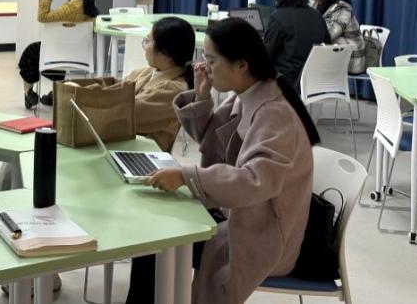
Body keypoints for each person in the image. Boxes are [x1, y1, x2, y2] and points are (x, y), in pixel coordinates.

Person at [141, 18, 319, 304]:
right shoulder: (249, 93)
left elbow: (254, 182)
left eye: (211, 60)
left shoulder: (275, 114)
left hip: (264, 236)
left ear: (241, 65)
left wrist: (187, 176)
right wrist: (202, 97)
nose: (204, 67)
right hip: (241, 215)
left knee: (158, 239)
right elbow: (214, 142)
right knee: (153, 229)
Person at [17, 0, 99, 109]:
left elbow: (43, 17)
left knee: (31, 51)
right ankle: (55, 93)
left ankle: (28, 92)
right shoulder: (90, 6)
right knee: (38, 50)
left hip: (58, 54)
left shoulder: (71, 7)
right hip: (81, 55)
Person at [123, 17, 197, 152]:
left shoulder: (174, 89)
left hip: (143, 154)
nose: (145, 47)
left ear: (165, 54)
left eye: (148, 41)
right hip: (125, 145)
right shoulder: (148, 71)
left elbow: (124, 113)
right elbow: (114, 91)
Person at [264, 0, 330, 88]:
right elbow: (327, 44)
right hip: (314, 80)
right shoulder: (317, 15)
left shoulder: (278, 17)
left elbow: (267, 55)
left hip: (287, 81)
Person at [306, 0, 366, 74]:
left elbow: (327, 34)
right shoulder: (317, 5)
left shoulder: (342, 9)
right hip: (336, 56)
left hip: (352, 60)